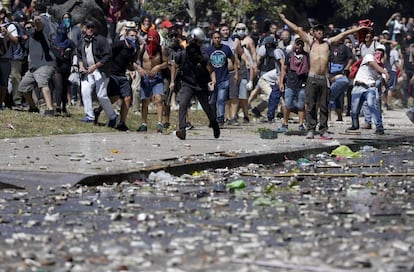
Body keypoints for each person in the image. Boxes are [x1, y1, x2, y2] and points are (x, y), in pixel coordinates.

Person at [279, 13, 369, 140]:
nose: (320, 32)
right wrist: (284, 19)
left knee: (324, 105)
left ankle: (323, 129)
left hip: (324, 79)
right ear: (314, 33)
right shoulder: (310, 42)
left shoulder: (328, 43)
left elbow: (344, 34)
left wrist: (358, 29)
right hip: (312, 78)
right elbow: (297, 29)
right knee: (310, 105)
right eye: (317, 30)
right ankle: (310, 129)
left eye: (321, 30)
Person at [169, 29, 220, 140]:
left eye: (194, 42)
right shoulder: (182, 54)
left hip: (201, 85)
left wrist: (213, 81)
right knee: (183, 104)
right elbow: (174, 65)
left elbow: (211, 70)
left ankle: (214, 123)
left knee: (206, 107)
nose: (192, 45)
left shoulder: (203, 56)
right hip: (187, 84)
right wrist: (172, 81)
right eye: (190, 42)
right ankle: (182, 129)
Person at [18, 3, 56, 115]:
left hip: (44, 64)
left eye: (30, 27)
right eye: (27, 27)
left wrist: (38, 22)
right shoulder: (30, 37)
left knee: (43, 84)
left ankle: (50, 109)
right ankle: (33, 108)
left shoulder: (39, 30)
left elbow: (39, 27)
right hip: (33, 67)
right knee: (23, 87)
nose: (28, 28)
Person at [77, 20, 117, 126]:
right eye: (87, 27)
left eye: (92, 27)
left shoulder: (101, 40)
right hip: (87, 70)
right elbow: (79, 55)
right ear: (84, 28)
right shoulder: (82, 41)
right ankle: (89, 115)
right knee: (85, 90)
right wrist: (81, 66)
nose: (89, 29)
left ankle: (112, 116)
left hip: (101, 70)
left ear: (95, 29)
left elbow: (108, 55)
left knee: (101, 95)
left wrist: (95, 66)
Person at [346, 44, 389, 135]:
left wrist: (384, 83)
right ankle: (355, 125)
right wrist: (383, 72)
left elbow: (385, 79)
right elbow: (372, 64)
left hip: (370, 88)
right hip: (358, 86)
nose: (379, 53)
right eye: (377, 50)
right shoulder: (368, 57)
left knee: (372, 106)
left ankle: (379, 127)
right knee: (354, 110)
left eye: (381, 52)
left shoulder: (382, 68)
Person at [136, 29, 169, 133]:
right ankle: (144, 123)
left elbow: (166, 63)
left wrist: (158, 67)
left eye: (154, 38)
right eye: (149, 38)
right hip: (145, 77)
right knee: (145, 101)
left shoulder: (161, 49)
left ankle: (159, 123)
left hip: (157, 77)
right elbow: (134, 61)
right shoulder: (143, 48)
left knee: (159, 99)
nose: (151, 41)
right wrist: (139, 68)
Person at [205, 29, 238, 127]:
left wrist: (236, 73)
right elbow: (205, 64)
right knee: (211, 101)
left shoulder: (226, 48)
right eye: (215, 38)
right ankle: (213, 119)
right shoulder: (208, 50)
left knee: (221, 100)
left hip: (224, 79)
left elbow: (234, 60)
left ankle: (220, 119)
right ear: (212, 39)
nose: (217, 40)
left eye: (219, 38)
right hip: (212, 80)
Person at [276, 37, 308, 132]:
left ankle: (301, 124)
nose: (298, 46)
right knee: (287, 104)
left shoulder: (306, 56)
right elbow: (284, 69)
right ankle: (285, 124)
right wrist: (281, 82)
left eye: (300, 44)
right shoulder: (289, 55)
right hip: (290, 83)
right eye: (297, 44)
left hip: (302, 84)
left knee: (301, 105)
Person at [328, 29, 353, 121]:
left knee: (336, 96)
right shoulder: (328, 46)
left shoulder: (344, 47)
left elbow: (350, 58)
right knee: (332, 95)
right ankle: (332, 116)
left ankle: (337, 116)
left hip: (340, 73)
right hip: (330, 74)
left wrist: (346, 68)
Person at [0, 8, 20, 110]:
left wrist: (7, 32)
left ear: (2, 15)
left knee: (3, 83)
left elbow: (16, 41)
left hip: (5, 58)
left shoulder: (11, 26)